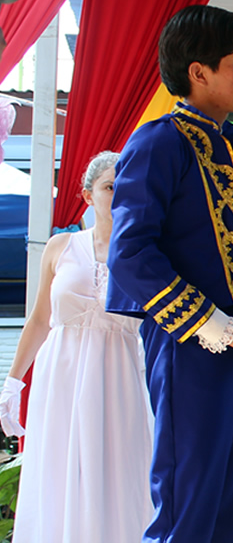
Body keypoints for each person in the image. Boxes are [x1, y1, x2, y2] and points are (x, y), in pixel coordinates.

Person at [106, 5, 233, 542]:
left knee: (225, 507)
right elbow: (130, 254)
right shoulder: (159, 141)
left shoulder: (228, 154)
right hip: (189, 344)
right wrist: (224, 329)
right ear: (198, 72)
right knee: (187, 506)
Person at [0, 152, 153, 542]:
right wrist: (12, 383)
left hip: (119, 374)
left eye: (128, 188)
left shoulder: (148, 255)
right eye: (109, 187)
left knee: (117, 470)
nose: (119, 195)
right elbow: (38, 319)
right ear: (88, 196)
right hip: (61, 374)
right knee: (57, 468)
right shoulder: (60, 246)